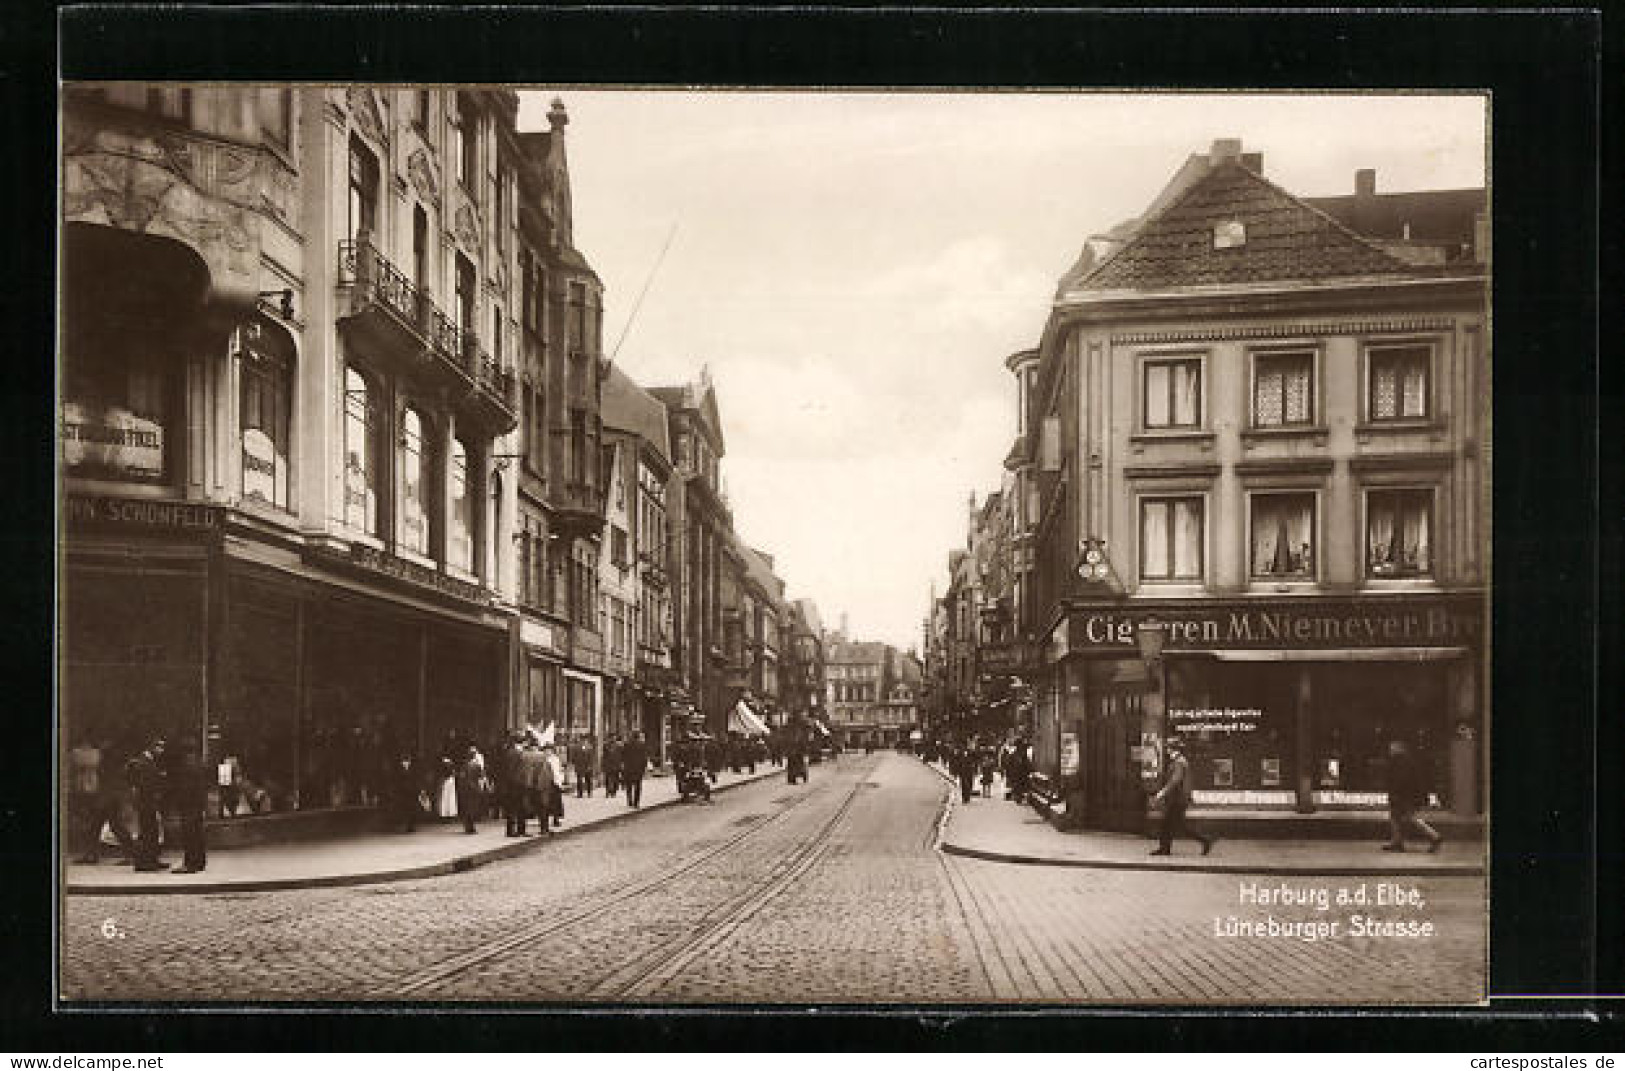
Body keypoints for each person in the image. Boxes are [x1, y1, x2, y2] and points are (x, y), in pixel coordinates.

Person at [1149, 738, 1214, 856]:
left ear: (1172, 748)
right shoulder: (1178, 760)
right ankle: (1166, 848)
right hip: (1178, 799)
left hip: (1178, 799)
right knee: (1174, 825)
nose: (1167, 750)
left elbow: (1175, 780)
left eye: (1168, 747)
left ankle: (1205, 840)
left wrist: (1161, 793)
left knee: (1170, 825)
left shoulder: (1179, 762)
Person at [1383, 738, 1444, 853]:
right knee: (1396, 817)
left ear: (1399, 749)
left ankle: (1434, 836)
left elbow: (1400, 780)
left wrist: (1395, 793)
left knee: (1410, 818)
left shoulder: (1400, 761)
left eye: (1392, 748)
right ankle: (1397, 842)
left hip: (1404, 796)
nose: (1390, 750)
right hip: (1408, 795)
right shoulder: (1407, 760)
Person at [125, 737, 168, 871]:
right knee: (148, 831)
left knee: (152, 831)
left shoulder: (147, 761)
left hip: (147, 802)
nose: (161, 750)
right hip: (146, 802)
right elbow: (143, 783)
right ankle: (145, 862)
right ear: (151, 747)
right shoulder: (143, 762)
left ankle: (151, 859)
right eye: (159, 747)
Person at [167, 741, 208, 873]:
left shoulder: (187, 766)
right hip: (197, 804)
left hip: (189, 805)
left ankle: (190, 863)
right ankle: (199, 861)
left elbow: (186, 788)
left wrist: (178, 800)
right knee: (197, 833)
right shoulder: (198, 763)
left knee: (189, 834)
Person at [67, 733, 105, 863]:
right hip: (87, 787)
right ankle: (90, 852)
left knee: (89, 821)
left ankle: (90, 853)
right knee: (88, 821)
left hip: (88, 788)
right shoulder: (94, 754)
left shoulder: (80, 753)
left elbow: (77, 762)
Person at [454, 744, 486, 834]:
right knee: (473, 808)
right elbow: (481, 777)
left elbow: (461, 777)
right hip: (474, 788)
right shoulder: (477, 766)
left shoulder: (464, 765)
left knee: (467, 808)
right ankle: (471, 827)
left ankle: (467, 827)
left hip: (466, 789)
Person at [387, 752, 420, 833]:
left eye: (407, 762)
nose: (405, 764)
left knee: (413, 809)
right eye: (404, 762)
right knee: (405, 809)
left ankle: (411, 825)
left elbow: (416, 780)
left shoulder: (413, 769)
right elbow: (395, 781)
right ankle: (407, 824)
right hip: (403, 793)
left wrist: (418, 790)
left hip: (412, 792)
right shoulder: (398, 770)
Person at [621, 730, 649, 807]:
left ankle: (629, 801)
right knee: (637, 786)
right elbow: (644, 758)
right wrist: (644, 768)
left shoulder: (626, 745)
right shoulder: (642, 745)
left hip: (628, 769)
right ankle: (636, 803)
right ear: (638, 737)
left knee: (629, 786)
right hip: (638, 769)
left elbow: (623, 757)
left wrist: (624, 766)